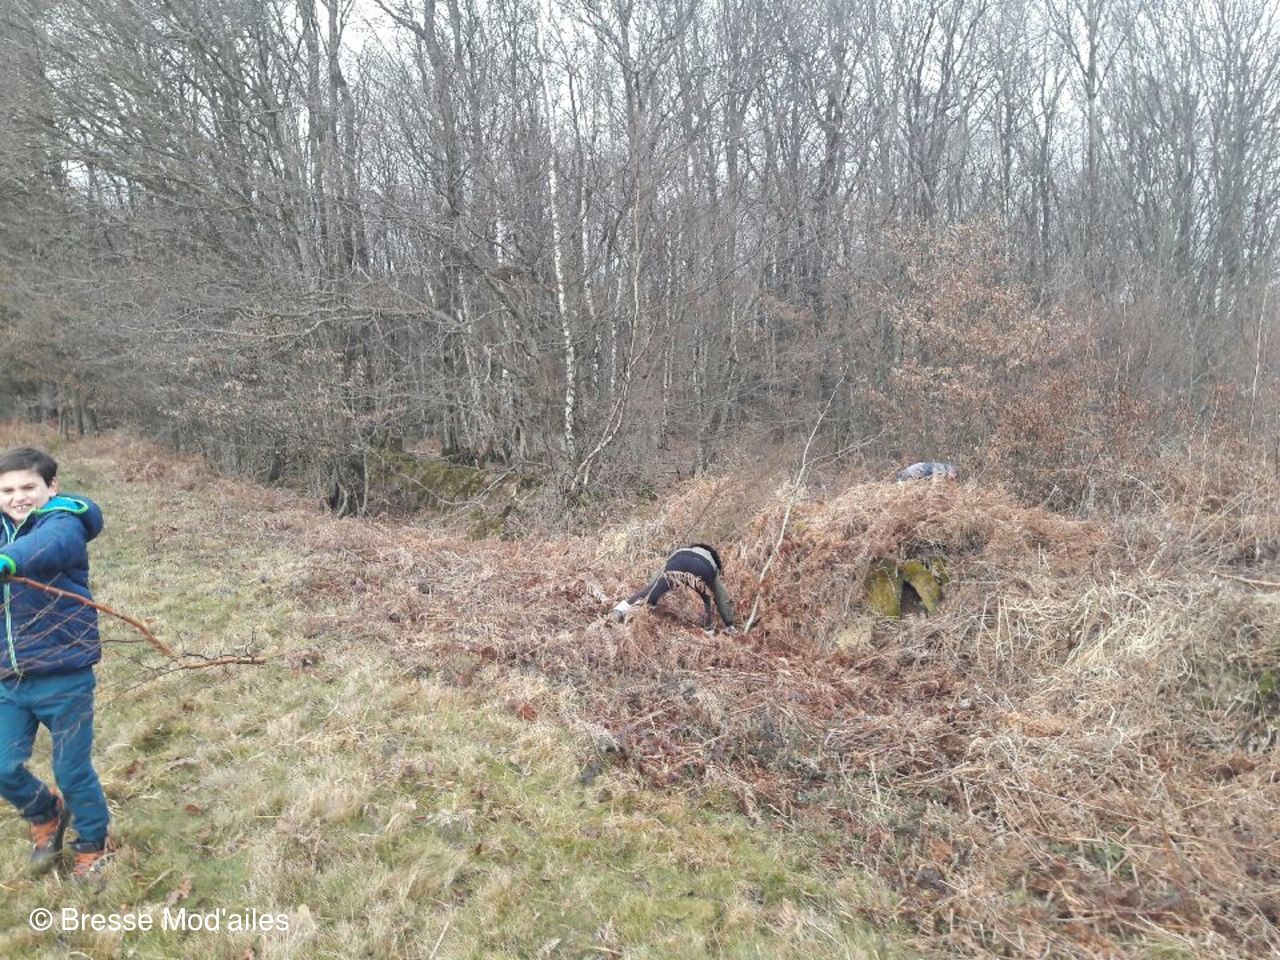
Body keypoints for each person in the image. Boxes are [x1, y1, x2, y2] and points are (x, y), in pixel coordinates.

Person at [0, 446, 113, 879]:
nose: (18, 497)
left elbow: (48, 547)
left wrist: (9, 559)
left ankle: (94, 844)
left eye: (28, 487)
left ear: (52, 487)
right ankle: (46, 812)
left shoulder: (63, 520)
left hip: (64, 675)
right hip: (9, 679)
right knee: (3, 766)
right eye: (7, 490)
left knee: (72, 769)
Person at [611, 543, 737, 630]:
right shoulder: (712, 562)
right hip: (703, 567)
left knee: (652, 592)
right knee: (706, 601)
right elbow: (721, 597)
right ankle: (708, 632)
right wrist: (729, 623)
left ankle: (619, 610)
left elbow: (656, 577)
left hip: (678, 560)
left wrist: (653, 592)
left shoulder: (683, 550)